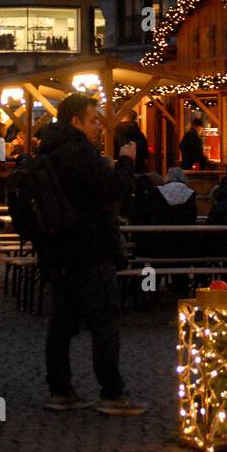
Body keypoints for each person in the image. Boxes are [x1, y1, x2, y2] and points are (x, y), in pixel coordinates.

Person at [38, 93, 146, 415]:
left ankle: (60, 390)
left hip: (58, 248)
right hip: (90, 247)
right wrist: (126, 161)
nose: (98, 125)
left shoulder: (48, 149)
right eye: (93, 119)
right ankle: (112, 393)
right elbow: (112, 189)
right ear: (76, 121)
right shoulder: (79, 152)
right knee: (104, 322)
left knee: (61, 322)